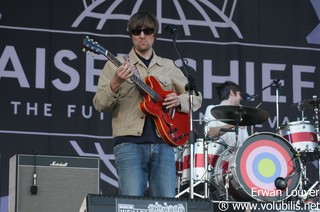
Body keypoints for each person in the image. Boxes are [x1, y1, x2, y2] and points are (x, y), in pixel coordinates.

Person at [93, 11, 202, 198]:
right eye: (137, 31)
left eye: (148, 30)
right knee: (131, 203)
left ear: (155, 35)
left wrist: (180, 100)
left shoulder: (168, 66)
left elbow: (196, 97)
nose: (142, 35)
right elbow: (99, 104)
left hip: (165, 142)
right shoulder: (117, 64)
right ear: (131, 35)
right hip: (129, 143)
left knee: (166, 204)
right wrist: (116, 83)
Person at [204, 81, 249, 147]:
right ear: (231, 93)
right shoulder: (212, 109)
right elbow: (209, 133)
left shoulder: (240, 114)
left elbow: (246, 142)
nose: (241, 98)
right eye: (239, 94)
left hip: (237, 156)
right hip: (218, 155)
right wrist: (233, 124)